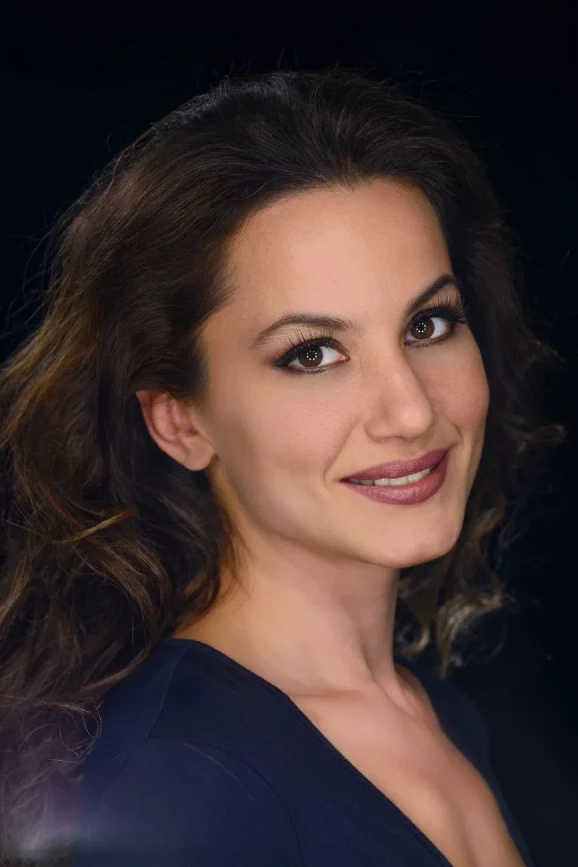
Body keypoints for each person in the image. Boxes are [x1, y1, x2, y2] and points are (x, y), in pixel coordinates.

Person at [0, 65, 566, 866]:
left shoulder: (443, 715)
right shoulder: (187, 784)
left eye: (429, 324)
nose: (411, 410)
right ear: (179, 419)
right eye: (312, 353)